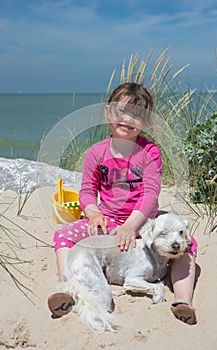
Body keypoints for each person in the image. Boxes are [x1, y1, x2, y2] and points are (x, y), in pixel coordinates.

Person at [48, 82, 197, 325]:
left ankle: (182, 300)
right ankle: (68, 287)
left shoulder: (149, 151)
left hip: (142, 221)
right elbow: (87, 191)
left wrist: (131, 224)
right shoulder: (96, 153)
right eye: (122, 111)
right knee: (64, 235)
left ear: (147, 122)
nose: (128, 119)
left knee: (187, 246)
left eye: (137, 115)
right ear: (108, 112)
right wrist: (94, 213)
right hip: (107, 222)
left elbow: (150, 192)